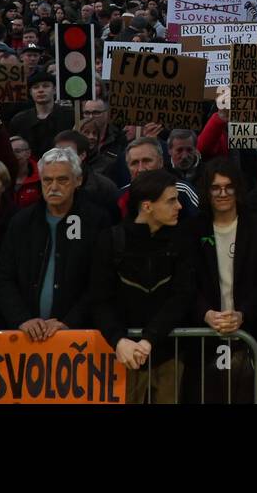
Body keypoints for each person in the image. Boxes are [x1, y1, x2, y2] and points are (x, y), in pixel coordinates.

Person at [91, 169, 195, 404]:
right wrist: (119, 341)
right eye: (171, 200)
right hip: (121, 356)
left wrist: (149, 339)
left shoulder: (181, 240)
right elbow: (99, 300)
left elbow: (182, 296)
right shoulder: (110, 240)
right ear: (147, 206)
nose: (179, 206)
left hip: (169, 354)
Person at [0, 147, 109, 339]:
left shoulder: (96, 221)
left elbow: (101, 281)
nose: (53, 187)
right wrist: (22, 319)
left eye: (62, 180)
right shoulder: (22, 222)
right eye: (47, 180)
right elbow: (2, 277)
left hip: (78, 336)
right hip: (26, 336)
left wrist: (70, 322)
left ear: (77, 181)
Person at [192, 160, 257, 402]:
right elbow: (187, 282)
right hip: (203, 337)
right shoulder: (193, 229)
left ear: (238, 189)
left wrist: (243, 314)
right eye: (215, 187)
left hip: (250, 335)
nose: (222, 193)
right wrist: (206, 313)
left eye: (228, 187)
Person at [8, 70, 75, 158]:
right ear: (30, 92)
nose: (41, 90)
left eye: (46, 86)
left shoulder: (70, 115)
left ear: (54, 90)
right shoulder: (19, 120)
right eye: (36, 87)